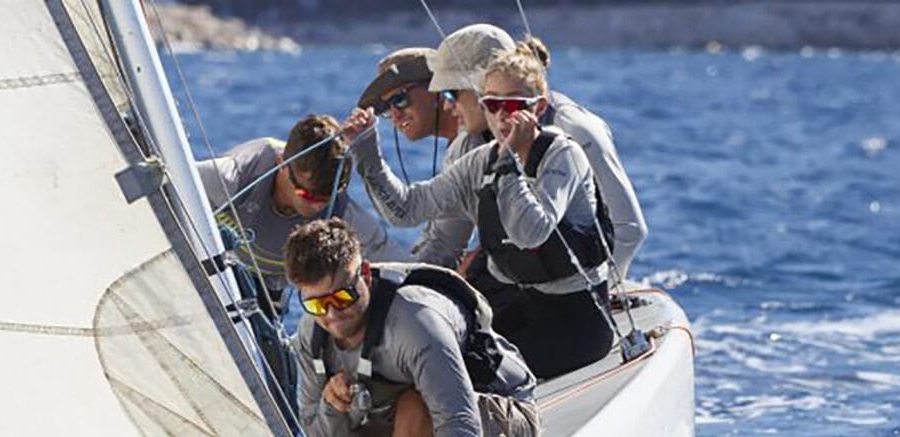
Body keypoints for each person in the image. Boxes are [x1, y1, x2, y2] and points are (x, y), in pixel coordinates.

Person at [342, 47, 617, 380]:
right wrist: (368, 154)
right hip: (522, 305)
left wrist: (509, 165)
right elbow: (407, 210)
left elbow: (530, 232)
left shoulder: (563, 155)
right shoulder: (480, 159)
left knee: (459, 369)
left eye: (513, 106)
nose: (502, 117)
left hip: (578, 322)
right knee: (418, 350)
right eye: (492, 104)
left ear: (539, 108)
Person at [282, 218, 538, 437]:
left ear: (366, 275)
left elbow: (463, 427)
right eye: (316, 305)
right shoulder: (312, 338)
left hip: (502, 420)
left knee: (415, 407)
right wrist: (332, 408)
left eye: (343, 297)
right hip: (399, 429)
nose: (332, 315)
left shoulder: (415, 321)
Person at [428, 25, 648, 281]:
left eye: (451, 93)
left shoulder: (576, 131)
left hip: (575, 288)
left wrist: (600, 290)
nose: (446, 105)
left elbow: (629, 230)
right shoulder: (466, 145)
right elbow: (445, 242)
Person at [195, 113, 405, 312]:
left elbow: (401, 267)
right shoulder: (232, 178)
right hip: (208, 265)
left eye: (325, 197)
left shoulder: (342, 213)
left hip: (267, 288)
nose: (316, 207)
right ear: (281, 163)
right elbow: (167, 179)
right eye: (308, 195)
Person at [357, 48, 466, 267]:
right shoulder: (461, 144)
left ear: (436, 86)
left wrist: (365, 150)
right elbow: (443, 244)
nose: (395, 115)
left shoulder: (470, 144)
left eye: (399, 99)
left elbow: (405, 212)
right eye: (387, 108)